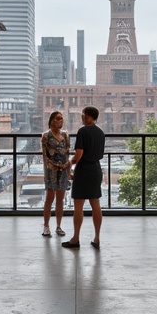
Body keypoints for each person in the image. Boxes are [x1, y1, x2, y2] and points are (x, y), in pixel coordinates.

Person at [63, 106, 105, 249]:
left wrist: (69, 164)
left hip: (84, 169)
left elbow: (78, 155)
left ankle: (75, 239)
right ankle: (97, 238)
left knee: (78, 206)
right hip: (96, 169)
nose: (81, 116)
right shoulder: (100, 132)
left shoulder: (83, 131)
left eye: (83, 114)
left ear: (87, 116)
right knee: (95, 204)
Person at [40, 111, 71, 237]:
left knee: (60, 198)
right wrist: (55, 166)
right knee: (49, 197)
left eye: (62, 118)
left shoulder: (65, 135)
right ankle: (46, 226)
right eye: (58, 118)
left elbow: (68, 153)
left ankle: (58, 226)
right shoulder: (46, 136)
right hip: (50, 169)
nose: (61, 120)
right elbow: (45, 155)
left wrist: (68, 168)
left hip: (63, 169)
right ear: (52, 120)